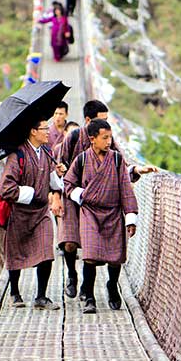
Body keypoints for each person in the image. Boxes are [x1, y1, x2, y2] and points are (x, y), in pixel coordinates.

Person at [64, 119, 138, 313]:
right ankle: (88, 295)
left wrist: (130, 216)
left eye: (110, 137)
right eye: (104, 138)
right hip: (89, 212)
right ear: (92, 139)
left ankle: (112, 287)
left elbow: (125, 187)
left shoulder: (116, 159)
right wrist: (81, 195)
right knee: (89, 256)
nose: (108, 141)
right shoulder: (81, 159)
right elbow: (68, 184)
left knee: (116, 257)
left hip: (113, 214)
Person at [0, 118, 64, 309]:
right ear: (33, 131)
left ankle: (41, 296)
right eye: (44, 129)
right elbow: (5, 188)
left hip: (41, 211)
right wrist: (31, 193)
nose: (48, 132)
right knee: (15, 253)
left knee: (46, 250)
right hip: (19, 213)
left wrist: (58, 173)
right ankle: (14, 292)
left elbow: (52, 182)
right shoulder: (17, 155)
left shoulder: (47, 152)